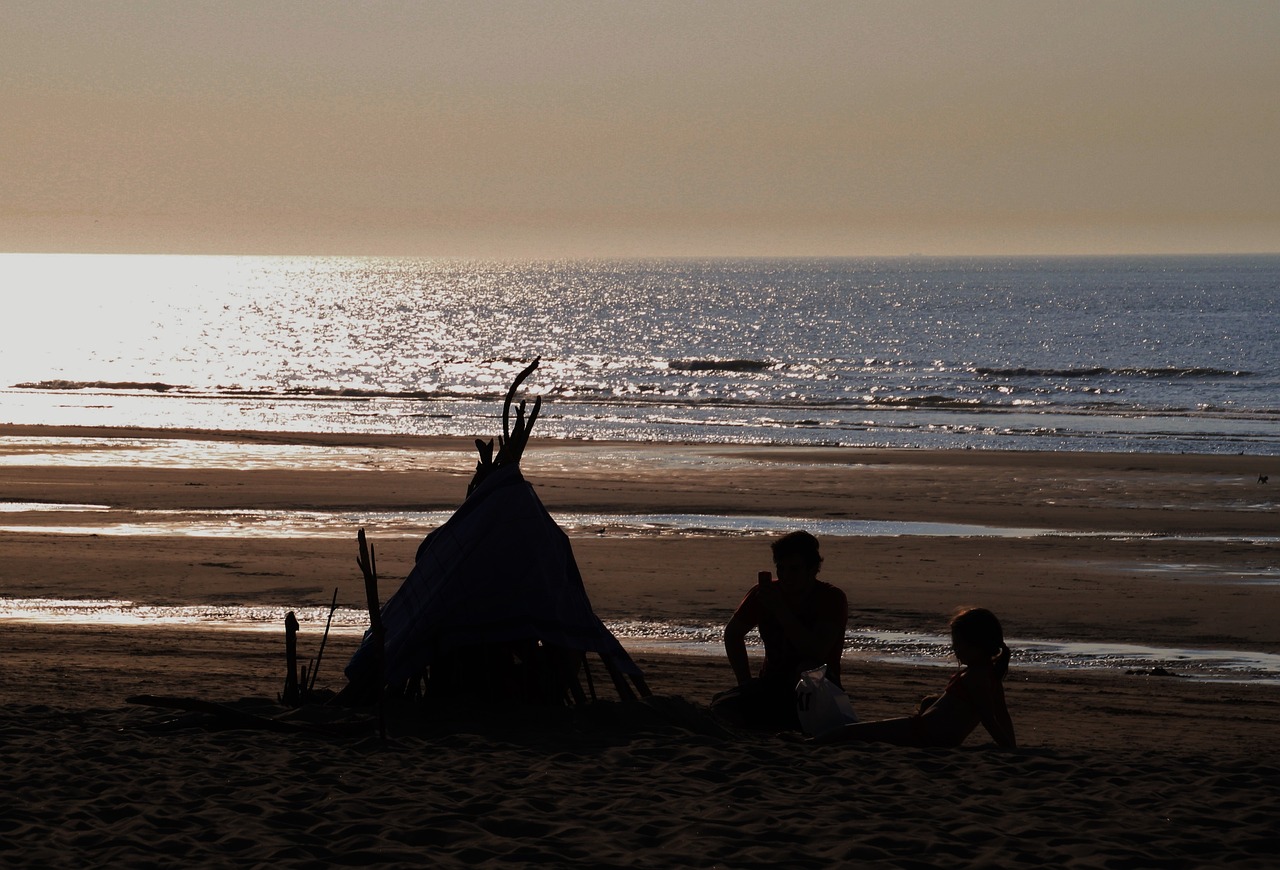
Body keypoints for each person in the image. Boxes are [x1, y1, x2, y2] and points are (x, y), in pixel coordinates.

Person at [815, 607, 1016, 748]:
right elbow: (1001, 715)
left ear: (977, 645)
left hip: (922, 732)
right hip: (928, 733)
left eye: (959, 644)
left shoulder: (976, 677)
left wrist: (1007, 748)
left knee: (849, 732)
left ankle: (810, 743)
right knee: (859, 734)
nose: (955, 649)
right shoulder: (989, 676)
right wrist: (1011, 745)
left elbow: (990, 718)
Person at [710, 531, 848, 731]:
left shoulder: (831, 598)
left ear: (812, 569)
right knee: (721, 708)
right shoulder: (764, 594)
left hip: (818, 687)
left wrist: (780, 610)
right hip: (772, 683)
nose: (785, 577)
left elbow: (817, 650)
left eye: (794, 570)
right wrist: (744, 682)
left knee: (807, 668)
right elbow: (733, 634)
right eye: (780, 569)